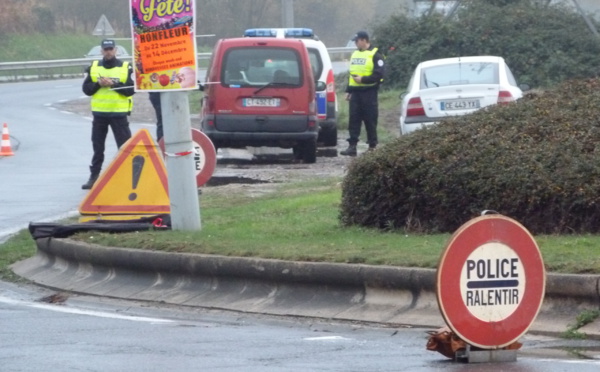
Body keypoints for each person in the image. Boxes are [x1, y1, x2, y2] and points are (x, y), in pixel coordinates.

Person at [81, 39, 135, 189]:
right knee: (98, 148)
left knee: (125, 148)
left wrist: (113, 84)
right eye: (106, 49)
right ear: (101, 51)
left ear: (116, 50)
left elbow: (131, 90)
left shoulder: (125, 67)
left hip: (119, 114)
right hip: (100, 115)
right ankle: (94, 177)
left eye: (111, 49)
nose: (108, 51)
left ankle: (129, 178)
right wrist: (98, 84)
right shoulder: (94, 67)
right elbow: (86, 90)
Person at [340, 31, 385, 156]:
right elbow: (352, 74)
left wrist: (363, 80)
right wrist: (348, 90)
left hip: (369, 92)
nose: (355, 43)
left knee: (370, 120)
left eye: (357, 40)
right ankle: (352, 146)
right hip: (355, 93)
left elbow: (379, 74)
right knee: (354, 120)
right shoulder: (355, 54)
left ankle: (372, 146)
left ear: (364, 40)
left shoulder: (376, 54)